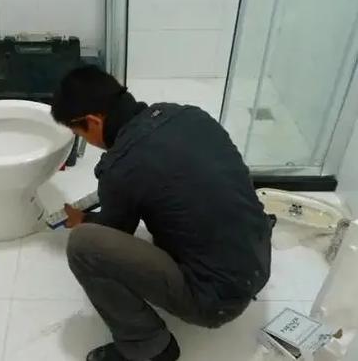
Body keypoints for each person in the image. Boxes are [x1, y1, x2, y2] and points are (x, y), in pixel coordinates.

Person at [50, 66, 273, 361]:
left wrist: (83, 220)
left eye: (79, 134)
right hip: (259, 261)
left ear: (92, 121)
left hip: (215, 300)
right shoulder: (188, 115)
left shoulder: (121, 166)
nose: (85, 142)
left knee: (83, 246)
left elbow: (112, 233)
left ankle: (148, 346)